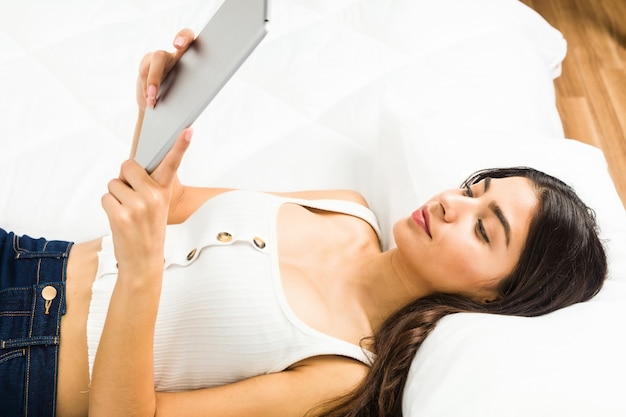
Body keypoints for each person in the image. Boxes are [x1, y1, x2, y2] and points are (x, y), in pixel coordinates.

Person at [0, 30, 607, 417]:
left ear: (493, 300)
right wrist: (159, 112)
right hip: (27, 256)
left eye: (483, 229)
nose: (454, 202)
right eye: (476, 189)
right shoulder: (345, 210)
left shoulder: (339, 373)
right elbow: (171, 202)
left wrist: (138, 275)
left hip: (26, 362)